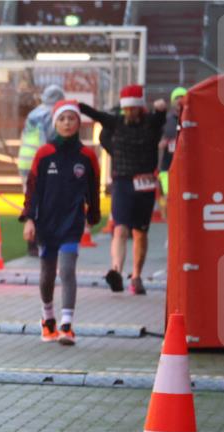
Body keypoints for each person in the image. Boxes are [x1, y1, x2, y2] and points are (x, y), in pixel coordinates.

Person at [19, 100, 101, 345]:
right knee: (46, 275)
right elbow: (32, 189)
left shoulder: (87, 156)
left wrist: (93, 214)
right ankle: (48, 319)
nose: (67, 123)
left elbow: (94, 188)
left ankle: (67, 325)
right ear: (56, 123)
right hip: (46, 223)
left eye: (71, 118)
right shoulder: (44, 154)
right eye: (62, 119)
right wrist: (29, 219)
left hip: (72, 223)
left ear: (78, 123)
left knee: (67, 271)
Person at [79, 85, 166, 295]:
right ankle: (116, 270)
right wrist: (79, 106)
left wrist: (161, 108)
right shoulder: (116, 123)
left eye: (133, 109)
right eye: (126, 109)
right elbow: (97, 115)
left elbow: (161, 116)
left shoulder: (151, 124)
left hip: (145, 184)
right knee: (120, 228)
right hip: (122, 183)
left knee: (140, 233)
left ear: (140, 108)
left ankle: (136, 276)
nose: (129, 113)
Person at [18, 84, 66, 257]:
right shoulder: (51, 114)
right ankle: (40, 241)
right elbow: (51, 140)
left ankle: (32, 243)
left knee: (31, 199)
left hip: (25, 160)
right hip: (41, 161)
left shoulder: (34, 113)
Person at [158, 86, 187, 219]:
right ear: (172, 101)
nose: (180, 100)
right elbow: (156, 140)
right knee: (169, 195)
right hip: (167, 166)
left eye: (183, 97)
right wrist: (161, 143)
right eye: (177, 98)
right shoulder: (165, 121)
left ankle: (182, 219)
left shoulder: (192, 118)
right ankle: (170, 220)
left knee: (185, 196)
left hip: (187, 166)